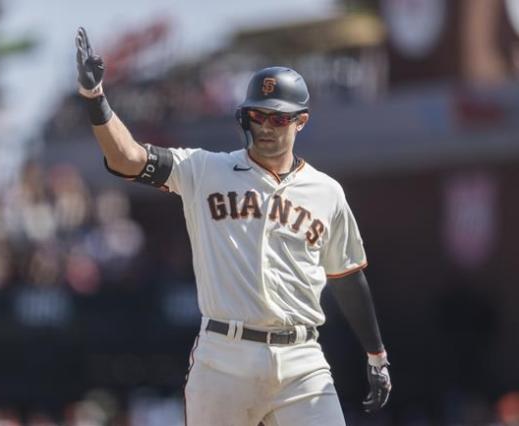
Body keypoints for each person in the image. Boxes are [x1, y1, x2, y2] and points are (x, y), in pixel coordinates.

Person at [74, 27, 391, 426]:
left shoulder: (326, 192)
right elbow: (129, 159)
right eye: (258, 115)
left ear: (301, 121)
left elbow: (347, 276)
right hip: (225, 354)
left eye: (278, 117)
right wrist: (95, 100)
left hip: (302, 359)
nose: (266, 126)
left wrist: (376, 354)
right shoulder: (206, 169)